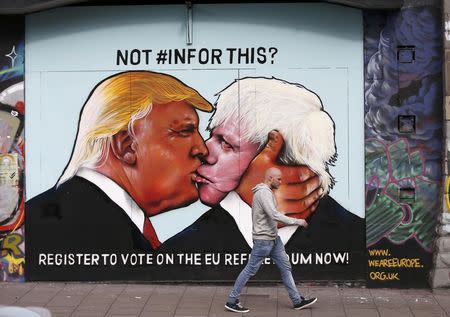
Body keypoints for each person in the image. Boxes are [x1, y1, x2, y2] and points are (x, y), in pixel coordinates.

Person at [161, 77, 365, 281]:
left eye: (226, 143)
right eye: (212, 135)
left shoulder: (354, 237)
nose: (205, 151)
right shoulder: (360, 237)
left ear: (280, 160)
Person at [25, 71, 213, 280]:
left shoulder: (69, 212)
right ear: (126, 146)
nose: (202, 149)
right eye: (185, 131)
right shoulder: (82, 226)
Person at [225, 167, 317, 313]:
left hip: (274, 239)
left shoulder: (266, 192)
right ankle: (231, 301)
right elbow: (274, 215)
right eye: (278, 179)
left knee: (286, 268)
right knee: (249, 270)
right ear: (270, 179)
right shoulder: (263, 193)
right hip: (263, 241)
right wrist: (298, 221)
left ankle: (297, 301)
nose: (281, 182)